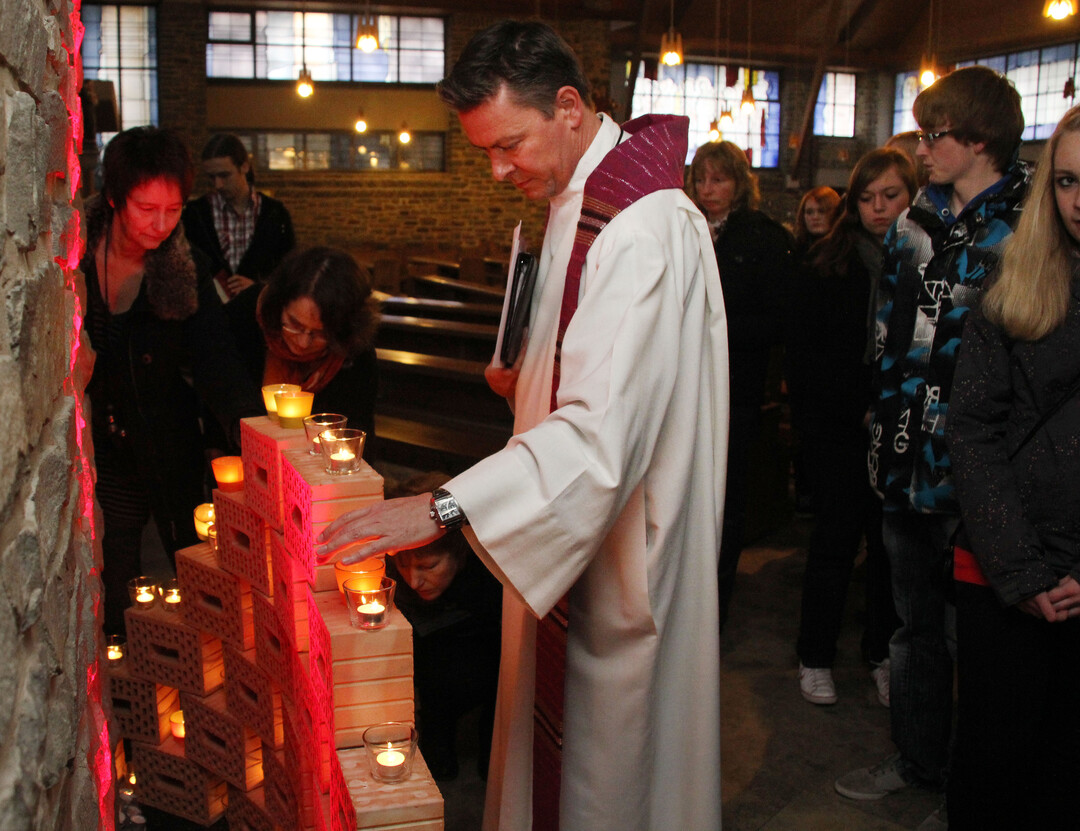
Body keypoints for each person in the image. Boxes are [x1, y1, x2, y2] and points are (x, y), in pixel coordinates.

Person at [317, 20, 728, 831]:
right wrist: (523, 383)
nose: (499, 169)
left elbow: (602, 437)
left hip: (620, 555)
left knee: (610, 780)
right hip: (575, 528)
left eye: (508, 145)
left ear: (568, 107)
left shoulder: (642, 227)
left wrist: (438, 507)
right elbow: (603, 380)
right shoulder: (584, 195)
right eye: (485, 153)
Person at [835, 65, 1028, 808]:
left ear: (977, 139)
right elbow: (889, 335)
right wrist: (880, 421)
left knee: (972, 640)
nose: (921, 149)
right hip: (906, 460)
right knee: (912, 630)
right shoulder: (915, 222)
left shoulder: (1027, 223)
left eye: (933, 135)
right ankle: (917, 762)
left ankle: (969, 787)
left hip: (981, 470)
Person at [944, 103, 1080, 830]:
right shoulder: (1012, 285)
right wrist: (1023, 571)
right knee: (996, 770)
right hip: (1003, 567)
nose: (1079, 199)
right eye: (1065, 181)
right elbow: (971, 429)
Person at [82, 127, 262, 636]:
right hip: (98, 447)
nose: (161, 225)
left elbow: (217, 363)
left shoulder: (184, 270)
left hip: (164, 442)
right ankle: (117, 672)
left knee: (189, 563)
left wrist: (257, 433)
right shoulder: (71, 253)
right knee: (113, 570)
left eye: (174, 209)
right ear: (115, 197)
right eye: (146, 208)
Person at [789, 148, 914, 706]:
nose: (878, 209)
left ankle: (882, 652)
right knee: (835, 543)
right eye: (866, 198)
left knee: (889, 549)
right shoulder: (828, 263)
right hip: (839, 426)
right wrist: (857, 408)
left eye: (891, 196)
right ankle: (814, 655)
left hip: (899, 426)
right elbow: (808, 358)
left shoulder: (919, 260)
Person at [685, 140, 794, 631]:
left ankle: (714, 612)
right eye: (702, 179)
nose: (709, 190)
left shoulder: (761, 237)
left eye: (720, 179)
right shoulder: (682, 228)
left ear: (739, 183)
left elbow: (779, 321)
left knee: (725, 502)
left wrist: (715, 325)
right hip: (683, 384)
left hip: (736, 385)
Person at [387, 515, 502, 782]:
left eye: (428, 566)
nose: (414, 581)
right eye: (403, 564)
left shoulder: (490, 582)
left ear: (460, 556)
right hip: (433, 678)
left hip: (488, 661)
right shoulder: (393, 582)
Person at [255, 246, 379, 440]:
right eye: (295, 324)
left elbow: (359, 435)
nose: (303, 343)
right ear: (280, 305)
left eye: (321, 333)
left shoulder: (356, 354)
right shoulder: (247, 322)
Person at [182, 133, 296, 303]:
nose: (217, 184)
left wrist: (259, 287)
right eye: (212, 177)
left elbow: (290, 271)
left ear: (244, 167)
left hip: (258, 315)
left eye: (224, 175)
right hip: (210, 317)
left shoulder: (275, 214)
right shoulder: (194, 215)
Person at [793, 185, 842, 256]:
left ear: (835, 213)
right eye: (809, 212)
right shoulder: (796, 249)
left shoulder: (845, 251)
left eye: (822, 211)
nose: (815, 217)